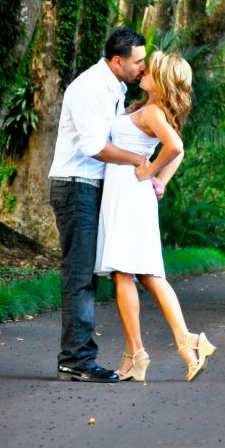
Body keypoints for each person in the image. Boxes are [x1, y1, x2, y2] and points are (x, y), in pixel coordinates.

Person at [94, 50, 217, 382]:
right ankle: (185, 343)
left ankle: (137, 354)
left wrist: (150, 170)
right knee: (147, 274)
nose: (144, 71)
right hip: (132, 196)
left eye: (151, 70)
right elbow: (178, 149)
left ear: (163, 81)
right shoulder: (149, 109)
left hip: (130, 196)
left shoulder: (151, 112)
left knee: (124, 274)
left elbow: (175, 146)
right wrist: (159, 182)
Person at [48, 27, 151, 382]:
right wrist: (138, 160)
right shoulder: (91, 88)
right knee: (79, 274)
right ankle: (75, 360)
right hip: (76, 186)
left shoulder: (116, 88)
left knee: (87, 272)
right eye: (138, 61)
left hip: (92, 187)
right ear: (118, 61)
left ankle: (77, 356)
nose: (143, 67)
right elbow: (95, 146)